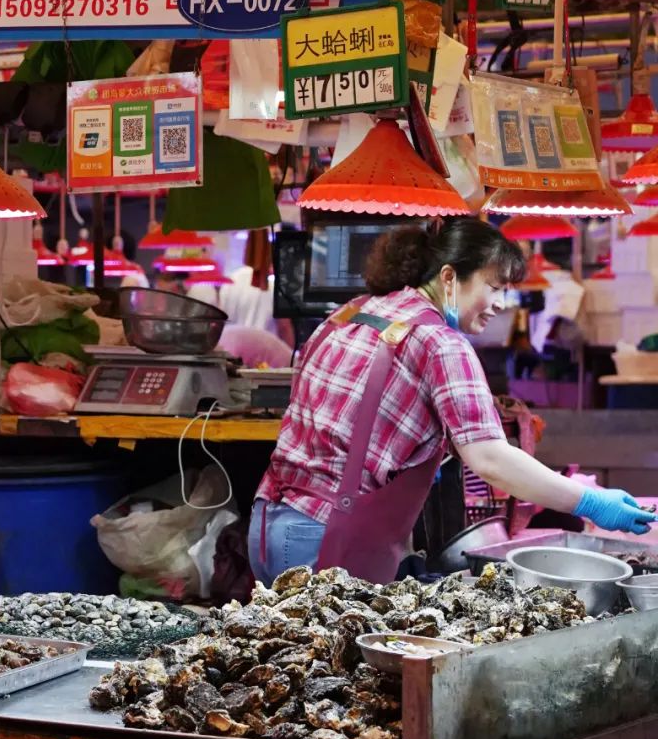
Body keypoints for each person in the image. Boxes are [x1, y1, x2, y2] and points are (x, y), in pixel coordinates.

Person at [249, 218, 653, 584]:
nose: (500, 304)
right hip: (323, 537)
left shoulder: (350, 313)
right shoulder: (440, 343)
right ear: (449, 277)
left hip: (266, 525)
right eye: (493, 287)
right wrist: (589, 501)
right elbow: (490, 459)